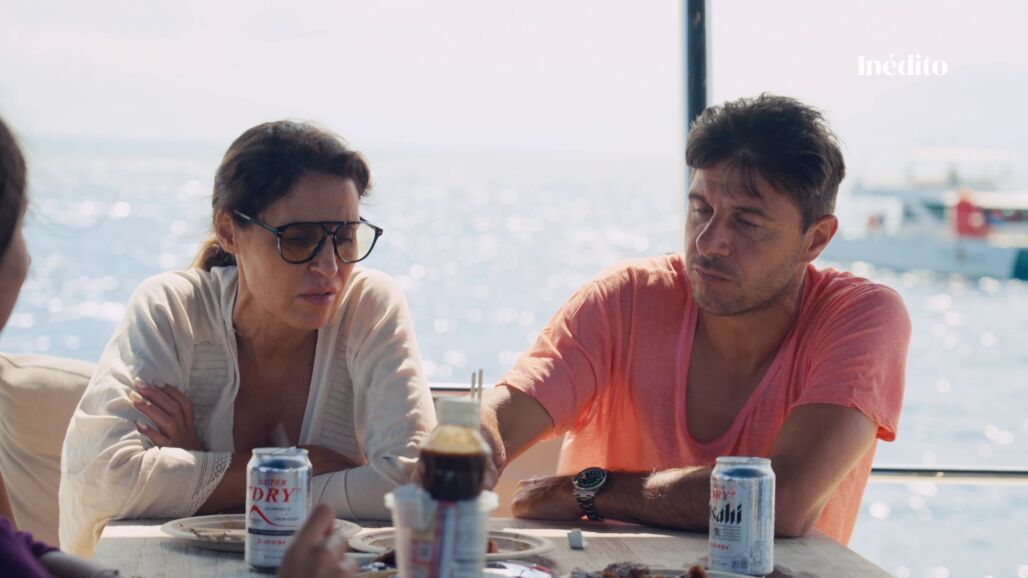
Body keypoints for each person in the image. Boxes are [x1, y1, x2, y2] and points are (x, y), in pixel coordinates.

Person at [479, 94, 911, 545]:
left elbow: (778, 504)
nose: (707, 242)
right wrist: (474, 437)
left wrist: (591, 491)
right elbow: (503, 417)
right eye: (701, 209)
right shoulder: (625, 299)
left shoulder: (862, 317)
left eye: (746, 223)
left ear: (815, 239)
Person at [60, 120, 437, 557]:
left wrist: (202, 473)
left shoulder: (368, 305)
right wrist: (310, 463)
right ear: (228, 232)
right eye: (300, 240)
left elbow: (414, 483)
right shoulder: (174, 310)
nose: (330, 267)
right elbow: (103, 479)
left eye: (346, 237)